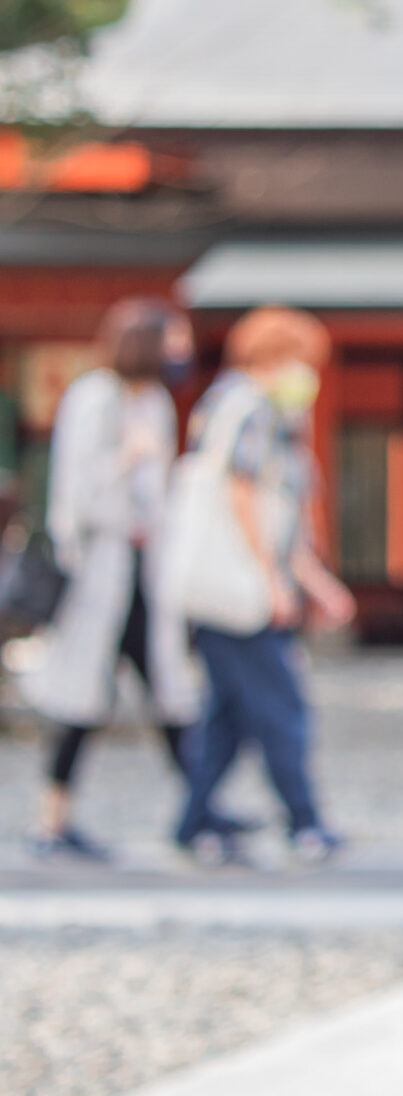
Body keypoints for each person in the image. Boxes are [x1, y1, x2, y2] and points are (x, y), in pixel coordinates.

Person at [169, 305, 356, 866]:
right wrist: (274, 579)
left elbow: (277, 510)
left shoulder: (233, 406)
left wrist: (313, 580)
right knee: (280, 705)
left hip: (232, 589)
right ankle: (305, 821)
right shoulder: (249, 405)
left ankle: (194, 820)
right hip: (242, 592)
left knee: (227, 713)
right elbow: (244, 496)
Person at [22, 300, 202, 861]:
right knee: (84, 702)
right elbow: (73, 493)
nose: (182, 352)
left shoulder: (155, 402)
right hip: (100, 571)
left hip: (146, 573)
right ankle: (53, 822)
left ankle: (200, 808)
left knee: (171, 696)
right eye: (174, 340)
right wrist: (125, 458)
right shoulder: (96, 397)